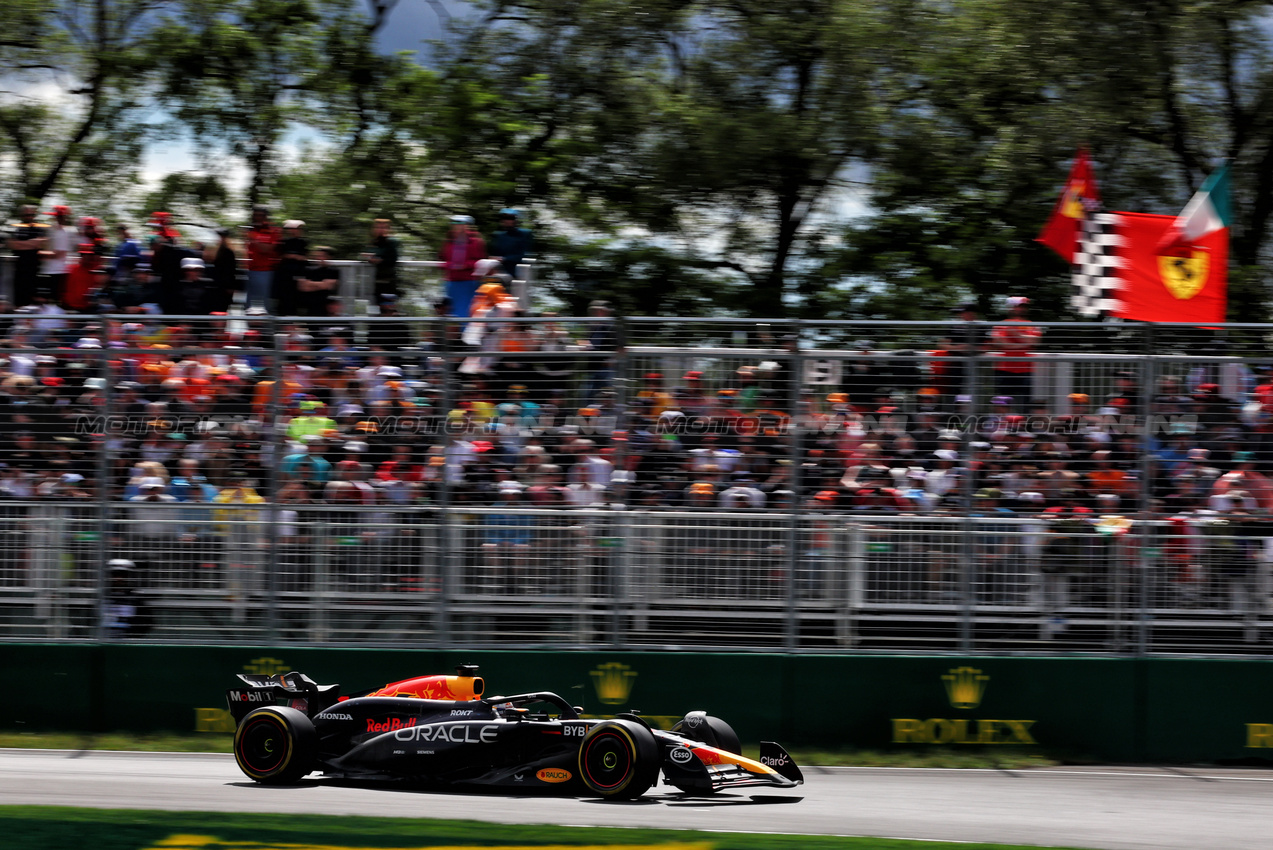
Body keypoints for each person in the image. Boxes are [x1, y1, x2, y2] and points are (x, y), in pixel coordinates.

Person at [989, 296, 1042, 411]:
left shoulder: (1031, 324)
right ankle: (1001, 426)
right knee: (1002, 403)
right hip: (1004, 369)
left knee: (1026, 404)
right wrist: (1023, 343)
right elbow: (999, 342)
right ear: (1011, 307)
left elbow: (1036, 341)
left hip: (1026, 370)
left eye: (1024, 306)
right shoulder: (1001, 324)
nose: (1023, 309)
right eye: (1019, 306)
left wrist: (1016, 334)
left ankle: (1024, 427)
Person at [438, 215, 486, 317]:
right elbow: (442, 260)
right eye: (454, 224)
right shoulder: (448, 242)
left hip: (469, 281)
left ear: (467, 226)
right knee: (451, 310)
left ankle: (466, 332)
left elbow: (481, 261)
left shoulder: (476, 242)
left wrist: (465, 265)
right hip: (451, 281)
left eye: (460, 224)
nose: (457, 226)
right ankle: (455, 332)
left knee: (468, 310)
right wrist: (448, 265)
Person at [6, 205, 45, 307]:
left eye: (32, 215)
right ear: (21, 216)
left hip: (34, 269)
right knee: (18, 299)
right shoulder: (15, 228)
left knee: (33, 300)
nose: (30, 217)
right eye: (27, 215)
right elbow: (12, 244)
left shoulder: (39, 228)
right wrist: (31, 243)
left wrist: (20, 244)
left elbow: (40, 243)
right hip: (19, 269)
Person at [244, 204, 280, 310]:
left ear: (265, 216)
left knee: (265, 304)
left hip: (266, 272)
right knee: (248, 305)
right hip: (250, 270)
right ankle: (249, 326)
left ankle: (268, 326)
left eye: (260, 215)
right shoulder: (251, 230)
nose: (257, 217)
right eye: (255, 215)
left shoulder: (273, 231)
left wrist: (253, 238)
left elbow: (267, 249)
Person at [39, 205, 73, 304]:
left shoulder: (63, 233)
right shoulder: (53, 230)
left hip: (58, 271)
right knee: (48, 299)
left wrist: (38, 252)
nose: (58, 219)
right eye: (57, 216)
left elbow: (58, 254)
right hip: (51, 270)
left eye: (61, 217)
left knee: (54, 300)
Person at [273, 220, 308, 316]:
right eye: (292, 229)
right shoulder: (283, 242)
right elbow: (280, 255)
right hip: (284, 275)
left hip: (297, 275)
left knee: (295, 299)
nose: (295, 231)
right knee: (283, 299)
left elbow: (304, 257)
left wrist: (294, 256)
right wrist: (293, 256)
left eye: (297, 229)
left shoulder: (303, 242)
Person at [363, 218, 400, 305]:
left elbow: (393, 259)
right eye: (378, 227)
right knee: (374, 307)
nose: (381, 230)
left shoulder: (392, 242)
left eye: (384, 227)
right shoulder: (373, 242)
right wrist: (367, 257)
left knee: (388, 307)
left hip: (388, 280)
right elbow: (363, 255)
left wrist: (379, 260)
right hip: (374, 281)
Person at [488, 208, 534, 275]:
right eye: (505, 218)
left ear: (516, 220)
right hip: (499, 270)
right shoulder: (498, 235)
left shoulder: (524, 234)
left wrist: (505, 259)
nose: (507, 221)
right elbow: (493, 253)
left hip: (516, 271)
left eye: (511, 218)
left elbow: (525, 254)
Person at [298, 246, 340, 316]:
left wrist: (311, 284)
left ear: (329, 257)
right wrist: (323, 284)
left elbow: (330, 286)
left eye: (322, 256)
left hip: (326, 305)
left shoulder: (334, 271)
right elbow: (303, 287)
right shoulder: (309, 269)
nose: (319, 258)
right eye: (318, 256)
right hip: (311, 304)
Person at [210, 228, 239, 312]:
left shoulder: (229, 252)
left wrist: (230, 286)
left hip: (225, 285)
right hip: (216, 284)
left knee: (223, 308)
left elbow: (231, 270)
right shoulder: (215, 251)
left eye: (222, 237)